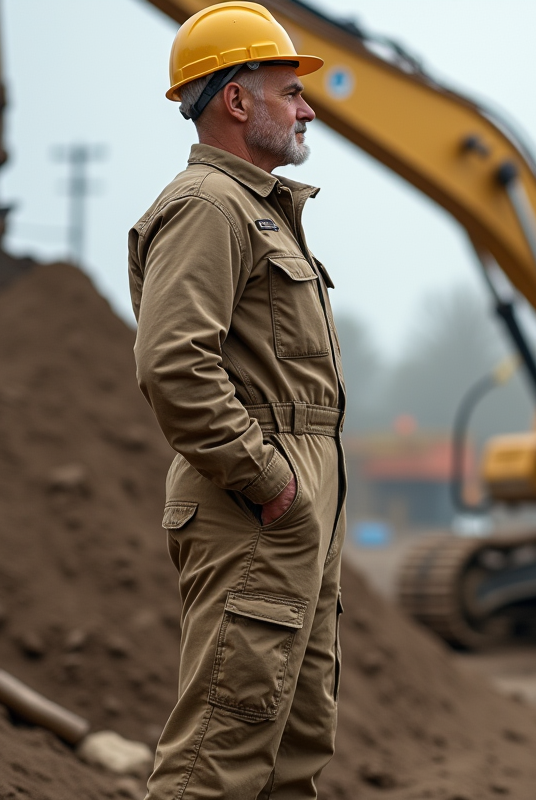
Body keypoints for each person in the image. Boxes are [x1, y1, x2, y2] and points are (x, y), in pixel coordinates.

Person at [127, 4, 345, 797]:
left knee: (293, 748)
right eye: (289, 90)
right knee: (220, 753)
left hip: (296, 493)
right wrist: (272, 483)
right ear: (236, 101)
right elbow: (174, 367)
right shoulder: (208, 207)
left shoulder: (262, 213)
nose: (307, 107)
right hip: (257, 501)